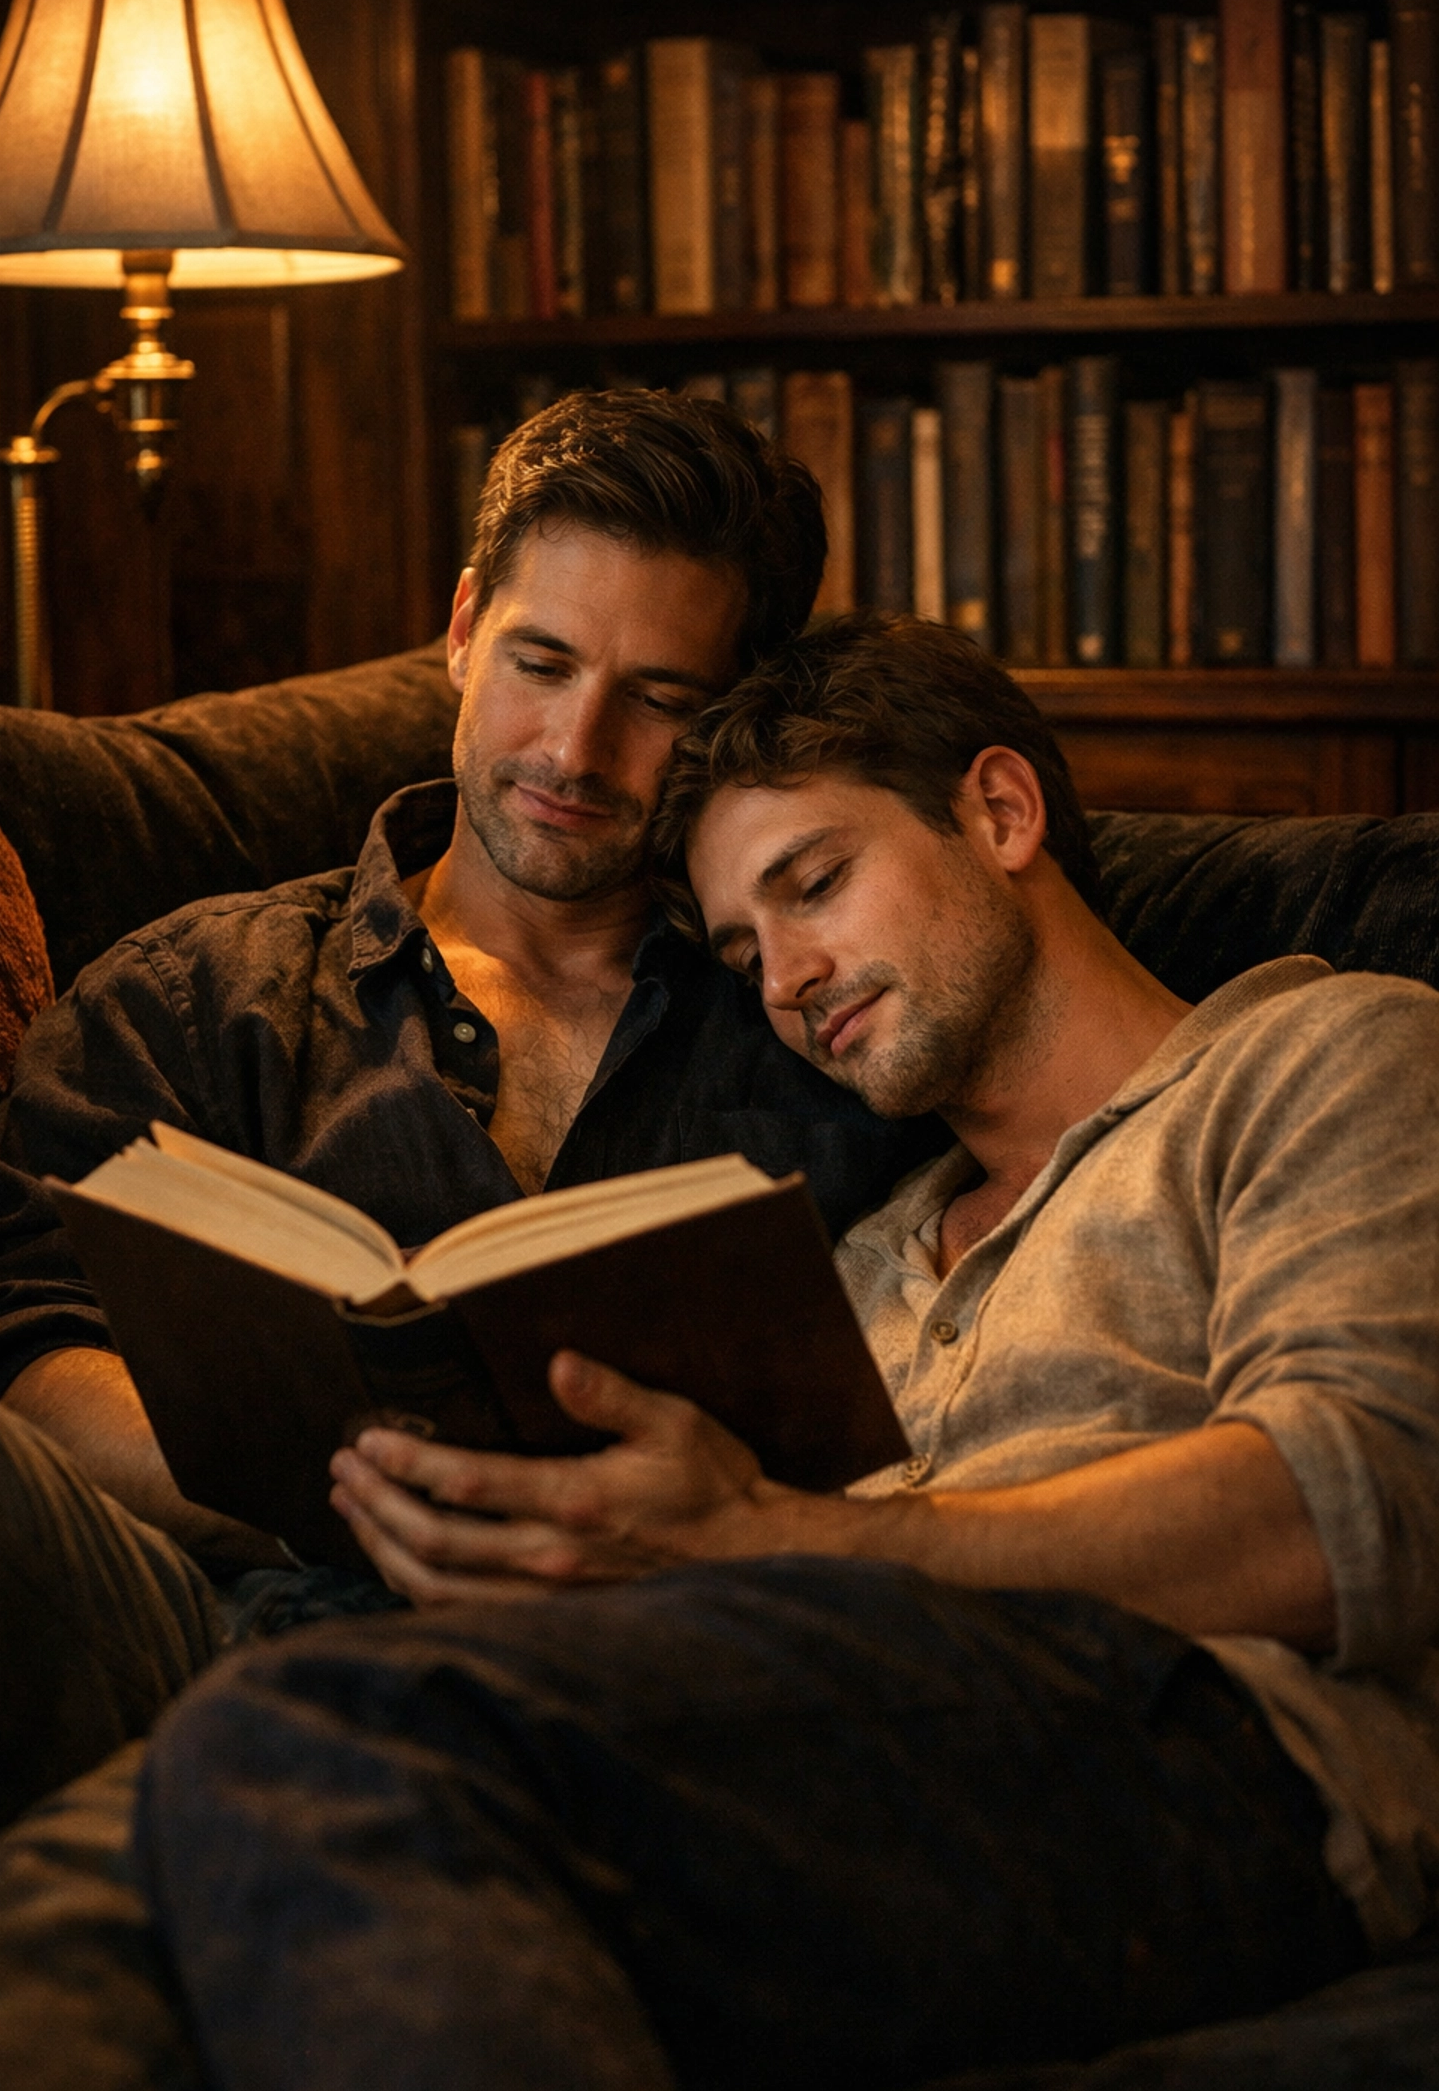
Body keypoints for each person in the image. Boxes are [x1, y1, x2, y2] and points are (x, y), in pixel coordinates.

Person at [134, 611, 1439, 2090]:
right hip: (848, 1764)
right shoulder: (856, 1263)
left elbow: (1351, 1514)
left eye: (816, 884)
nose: (788, 981)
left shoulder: (1327, 1055)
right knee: (194, 1849)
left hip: (1221, 1759)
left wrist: (769, 1538)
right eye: (745, 949)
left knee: (314, 1751)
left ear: (1000, 812)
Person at [0, 396, 942, 1902]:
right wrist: (328, 1486)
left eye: (656, 696)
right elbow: (2, 1335)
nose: (574, 748)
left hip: (663, 1676)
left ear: (726, 715)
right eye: (540, 663)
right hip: (214, 1619)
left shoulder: (811, 1012)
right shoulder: (204, 993)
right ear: (461, 627)